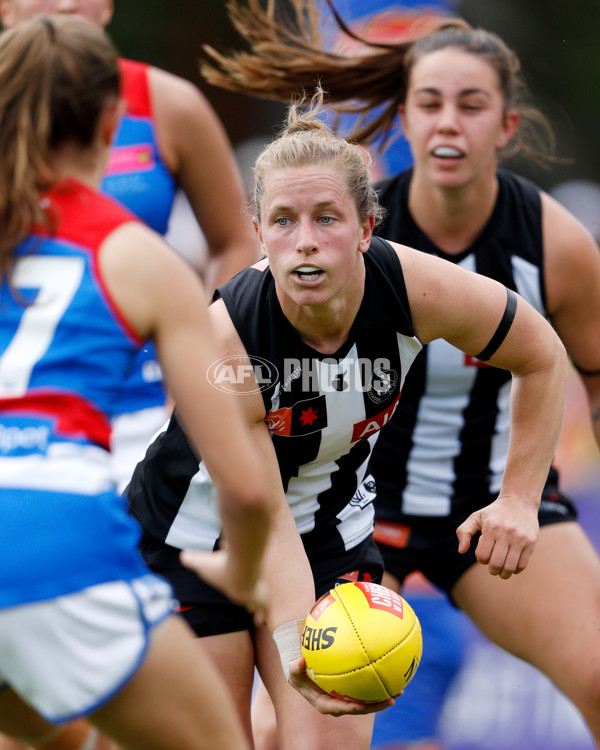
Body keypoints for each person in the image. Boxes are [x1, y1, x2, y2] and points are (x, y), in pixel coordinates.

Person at [123, 70, 568, 749]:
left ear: (365, 227)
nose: (305, 240)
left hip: (329, 538)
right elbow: (264, 518)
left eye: (326, 218)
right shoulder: (224, 338)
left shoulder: (417, 288)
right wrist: (293, 642)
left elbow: (541, 353)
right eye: (283, 221)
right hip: (193, 543)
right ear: (258, 233)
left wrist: (519, 498)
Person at [0, 15, 281, 750]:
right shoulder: (135, 253)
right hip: (53, 532)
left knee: (53, 735)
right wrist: (243, 570)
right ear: (112, 120)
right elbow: (245, 488)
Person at [0, 0, 260, 494]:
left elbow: (236, 241)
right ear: (6, 8)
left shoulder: (169, 104)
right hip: (22, 410)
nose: (64, 4)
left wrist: (194, 373)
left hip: (142, 411)